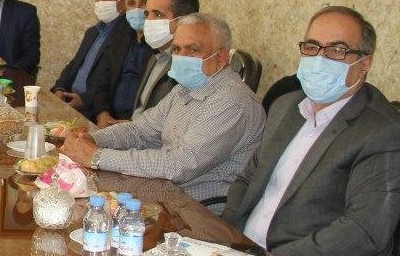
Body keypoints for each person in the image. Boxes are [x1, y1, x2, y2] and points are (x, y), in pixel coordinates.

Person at [223, 7, 400, 256]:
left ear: (365, 63)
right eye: (312, 47)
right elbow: (248, 179)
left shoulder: (386, 133)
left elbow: (362, 233)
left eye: (337, 50)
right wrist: (229, 239)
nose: (320, 58)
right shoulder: (286, 107)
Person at [61, 13, 265, 207]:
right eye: (177, 49)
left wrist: (97, 156)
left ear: (221, 58)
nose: (182, 56)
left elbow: (178, 165)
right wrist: (91, 140)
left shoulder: (233, 102)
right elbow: (139, 130)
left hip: (197, 211)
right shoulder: (184, 89)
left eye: (192, 49)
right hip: (162, 193)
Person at [51, 0, 135, 121]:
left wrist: (85, 100)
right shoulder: (93, 31)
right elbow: (74, 65)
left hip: (94, 110)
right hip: (68, 100)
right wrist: (60, 88)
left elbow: (113, 79)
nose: (101, 3)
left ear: (124, 2)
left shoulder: (128, 35)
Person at [129, 0, 199, 117]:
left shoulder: (189, 66)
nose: (148, 21)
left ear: (184, 21)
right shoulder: (155, 55)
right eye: (147, 14)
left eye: (158, 14)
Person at [95, 0, 154, 126]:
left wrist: (133, 125)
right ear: (125, 7)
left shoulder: (160, 46)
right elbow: (101, 80)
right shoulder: (118, 37)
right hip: (108, 119)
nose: (137, 9)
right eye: (132, 4)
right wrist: (102, 113)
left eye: (144, 3)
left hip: (140, 125)